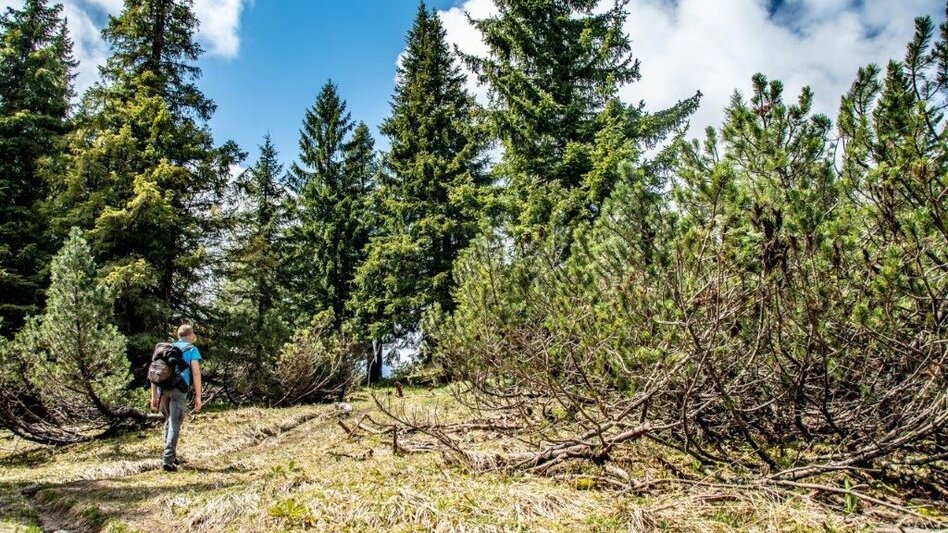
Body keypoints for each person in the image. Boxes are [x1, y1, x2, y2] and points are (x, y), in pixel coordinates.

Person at [150, 324, 203, 472]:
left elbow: (154, 371)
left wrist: (154, 396)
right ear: (191, 335)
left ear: (178, 335)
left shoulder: (165, 349)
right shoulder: (192, 349)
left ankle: (171, 455)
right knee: (175, 422)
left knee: (169, 421)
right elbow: (196, 373)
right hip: (179, 390)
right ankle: (167, 460)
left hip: (163, 389)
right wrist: (198, 396)